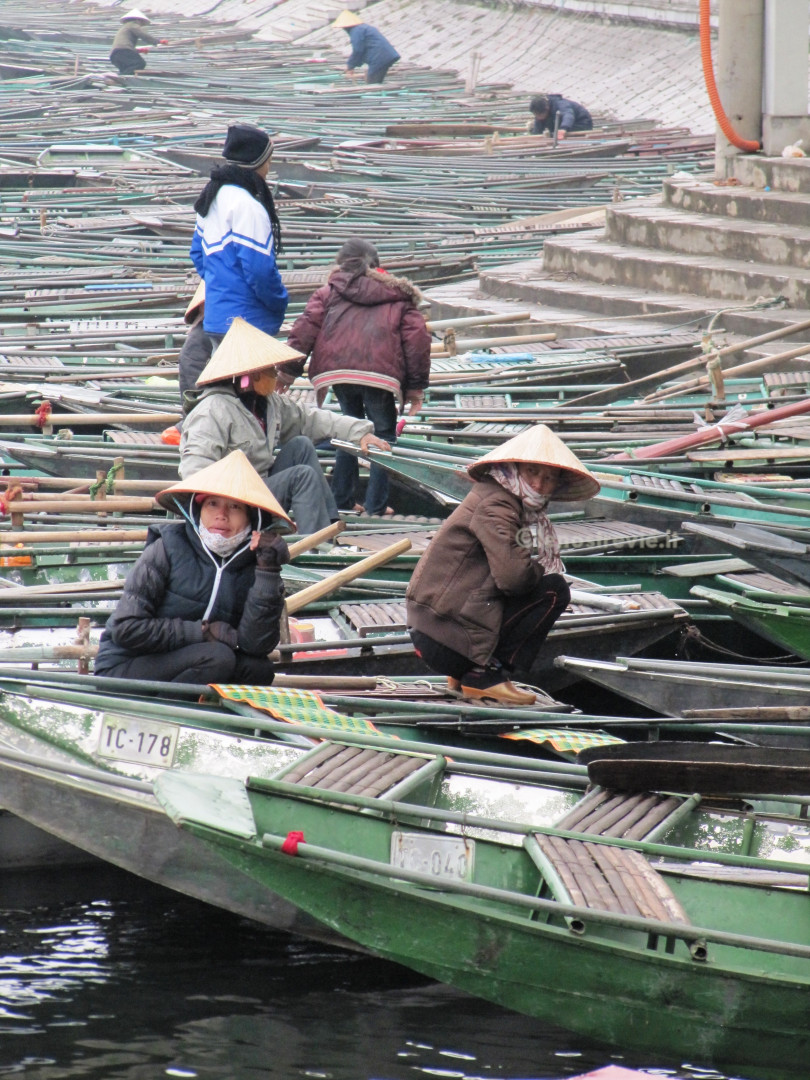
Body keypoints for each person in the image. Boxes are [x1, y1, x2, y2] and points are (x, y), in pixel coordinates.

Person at [406, 424, 600, 706]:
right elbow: (513, 578)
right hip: (444, 635)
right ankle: (484, 674)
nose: (539, 485)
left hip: (435, 628)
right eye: (532, 472)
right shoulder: (497, 504)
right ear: (515, 467)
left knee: (535, 584)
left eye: (549, 477)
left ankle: (465, 673)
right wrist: (537, 568)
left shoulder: (501, 497)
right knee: (554, 590)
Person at [94, 449, 292, 686]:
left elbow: (256, 645)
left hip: (194, 661)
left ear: (253, 519)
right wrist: (202, 632)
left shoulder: (255, 563)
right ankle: (170, 715)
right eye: (212, 504)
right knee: (219, 658)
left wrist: (268, 571)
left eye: (235, 507)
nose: (221, 515)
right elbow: (125, 629)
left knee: (258, 669)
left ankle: (208, 712)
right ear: (198, 511)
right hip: (127, 664)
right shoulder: (166, 548)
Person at [180, 316, 391, 535]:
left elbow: (309, 419)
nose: (274, 373)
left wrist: (360, 433)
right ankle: (313, 544)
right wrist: (219, 516)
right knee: (302, 476)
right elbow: (195, 470)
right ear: (248, 375)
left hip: (260, 489)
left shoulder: (268, 403)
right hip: (234, 501)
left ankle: (327, 530)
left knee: (301, 446)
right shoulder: (213, 410)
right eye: (268, 369)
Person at [286, 239, 430, 518]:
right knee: (384, 435)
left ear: (342, 264)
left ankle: (342, 499)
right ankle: (376, 506)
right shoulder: (399, 296)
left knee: (348, 429)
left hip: (337, 372)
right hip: (381, 377)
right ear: (377, 265)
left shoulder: (328, 292)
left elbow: (304, 327)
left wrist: (287, 370)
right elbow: (417, 341)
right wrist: (415, 387)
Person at [190, 123, 288, 342]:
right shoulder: (248, 206)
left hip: (217, 319)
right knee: (253, 378)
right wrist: (280, 301)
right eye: (268, 162)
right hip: (249, 323)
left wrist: (222, 285)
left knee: (221, 376)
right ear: (257, 163)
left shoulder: (212, 199)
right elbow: (259, 270)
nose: (269, 169)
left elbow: (198, 254)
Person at [334, 10, 400, 85]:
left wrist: (350, 65)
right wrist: (353, 65)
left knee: (372, 82)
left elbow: (358, 50)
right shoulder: (364, 28)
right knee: (375, 79)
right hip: (386, 56)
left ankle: (376, 93)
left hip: (379, 57)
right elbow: (362, 50)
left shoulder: (356, 31)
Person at [109, 10, 167, 76]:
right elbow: (144, 35)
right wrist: (158, 42)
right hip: (122, 52)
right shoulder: (132, 25)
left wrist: (139, 50)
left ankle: (122, 78)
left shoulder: (125, 27)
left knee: (127, 68)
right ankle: (124, 78)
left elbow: (126, 44)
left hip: (115, 55)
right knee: (139, 63)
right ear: (138, 20)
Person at [528, 94, 593, 139]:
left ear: (547, 108)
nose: (538, 117)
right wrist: (535, 135)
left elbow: (568, 115)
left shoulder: (560, 104)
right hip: (559, 124)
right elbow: (538, 128)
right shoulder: (540, 112)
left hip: (581, 123)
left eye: (540, 115)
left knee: (554, 134)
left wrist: (563, 128)